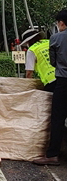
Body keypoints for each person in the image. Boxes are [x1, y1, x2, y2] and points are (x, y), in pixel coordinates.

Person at [34, 9, 67, 166]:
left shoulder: (56, 38)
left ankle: (53, 154)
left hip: (63, 82)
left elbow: (53, 62)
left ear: (61, 23)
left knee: (58, 119)